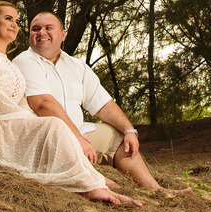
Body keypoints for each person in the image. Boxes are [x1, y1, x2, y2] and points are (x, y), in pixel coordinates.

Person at [0, 1, 141, 206]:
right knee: (53, 124)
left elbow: (23, 106)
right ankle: (90, 186)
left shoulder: (11, 65)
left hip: (5, 123)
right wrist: (31, 124)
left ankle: (97, 181)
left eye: (16, 21)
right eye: (8, 19)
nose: (14, 24)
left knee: (54, 126)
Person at [14, 11, 186, 193]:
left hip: (77, 133)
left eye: (49, 28)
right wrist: (78, 139)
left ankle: (156, 191)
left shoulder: (77, 66)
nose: (41, 33)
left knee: (118, 137)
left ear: (63, 35)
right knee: (112, 187)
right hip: (47, 138)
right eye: (36, 29)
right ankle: (108, 187)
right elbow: (43, 104)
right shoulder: (25, 61)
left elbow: (103, 104)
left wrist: (129, 130)